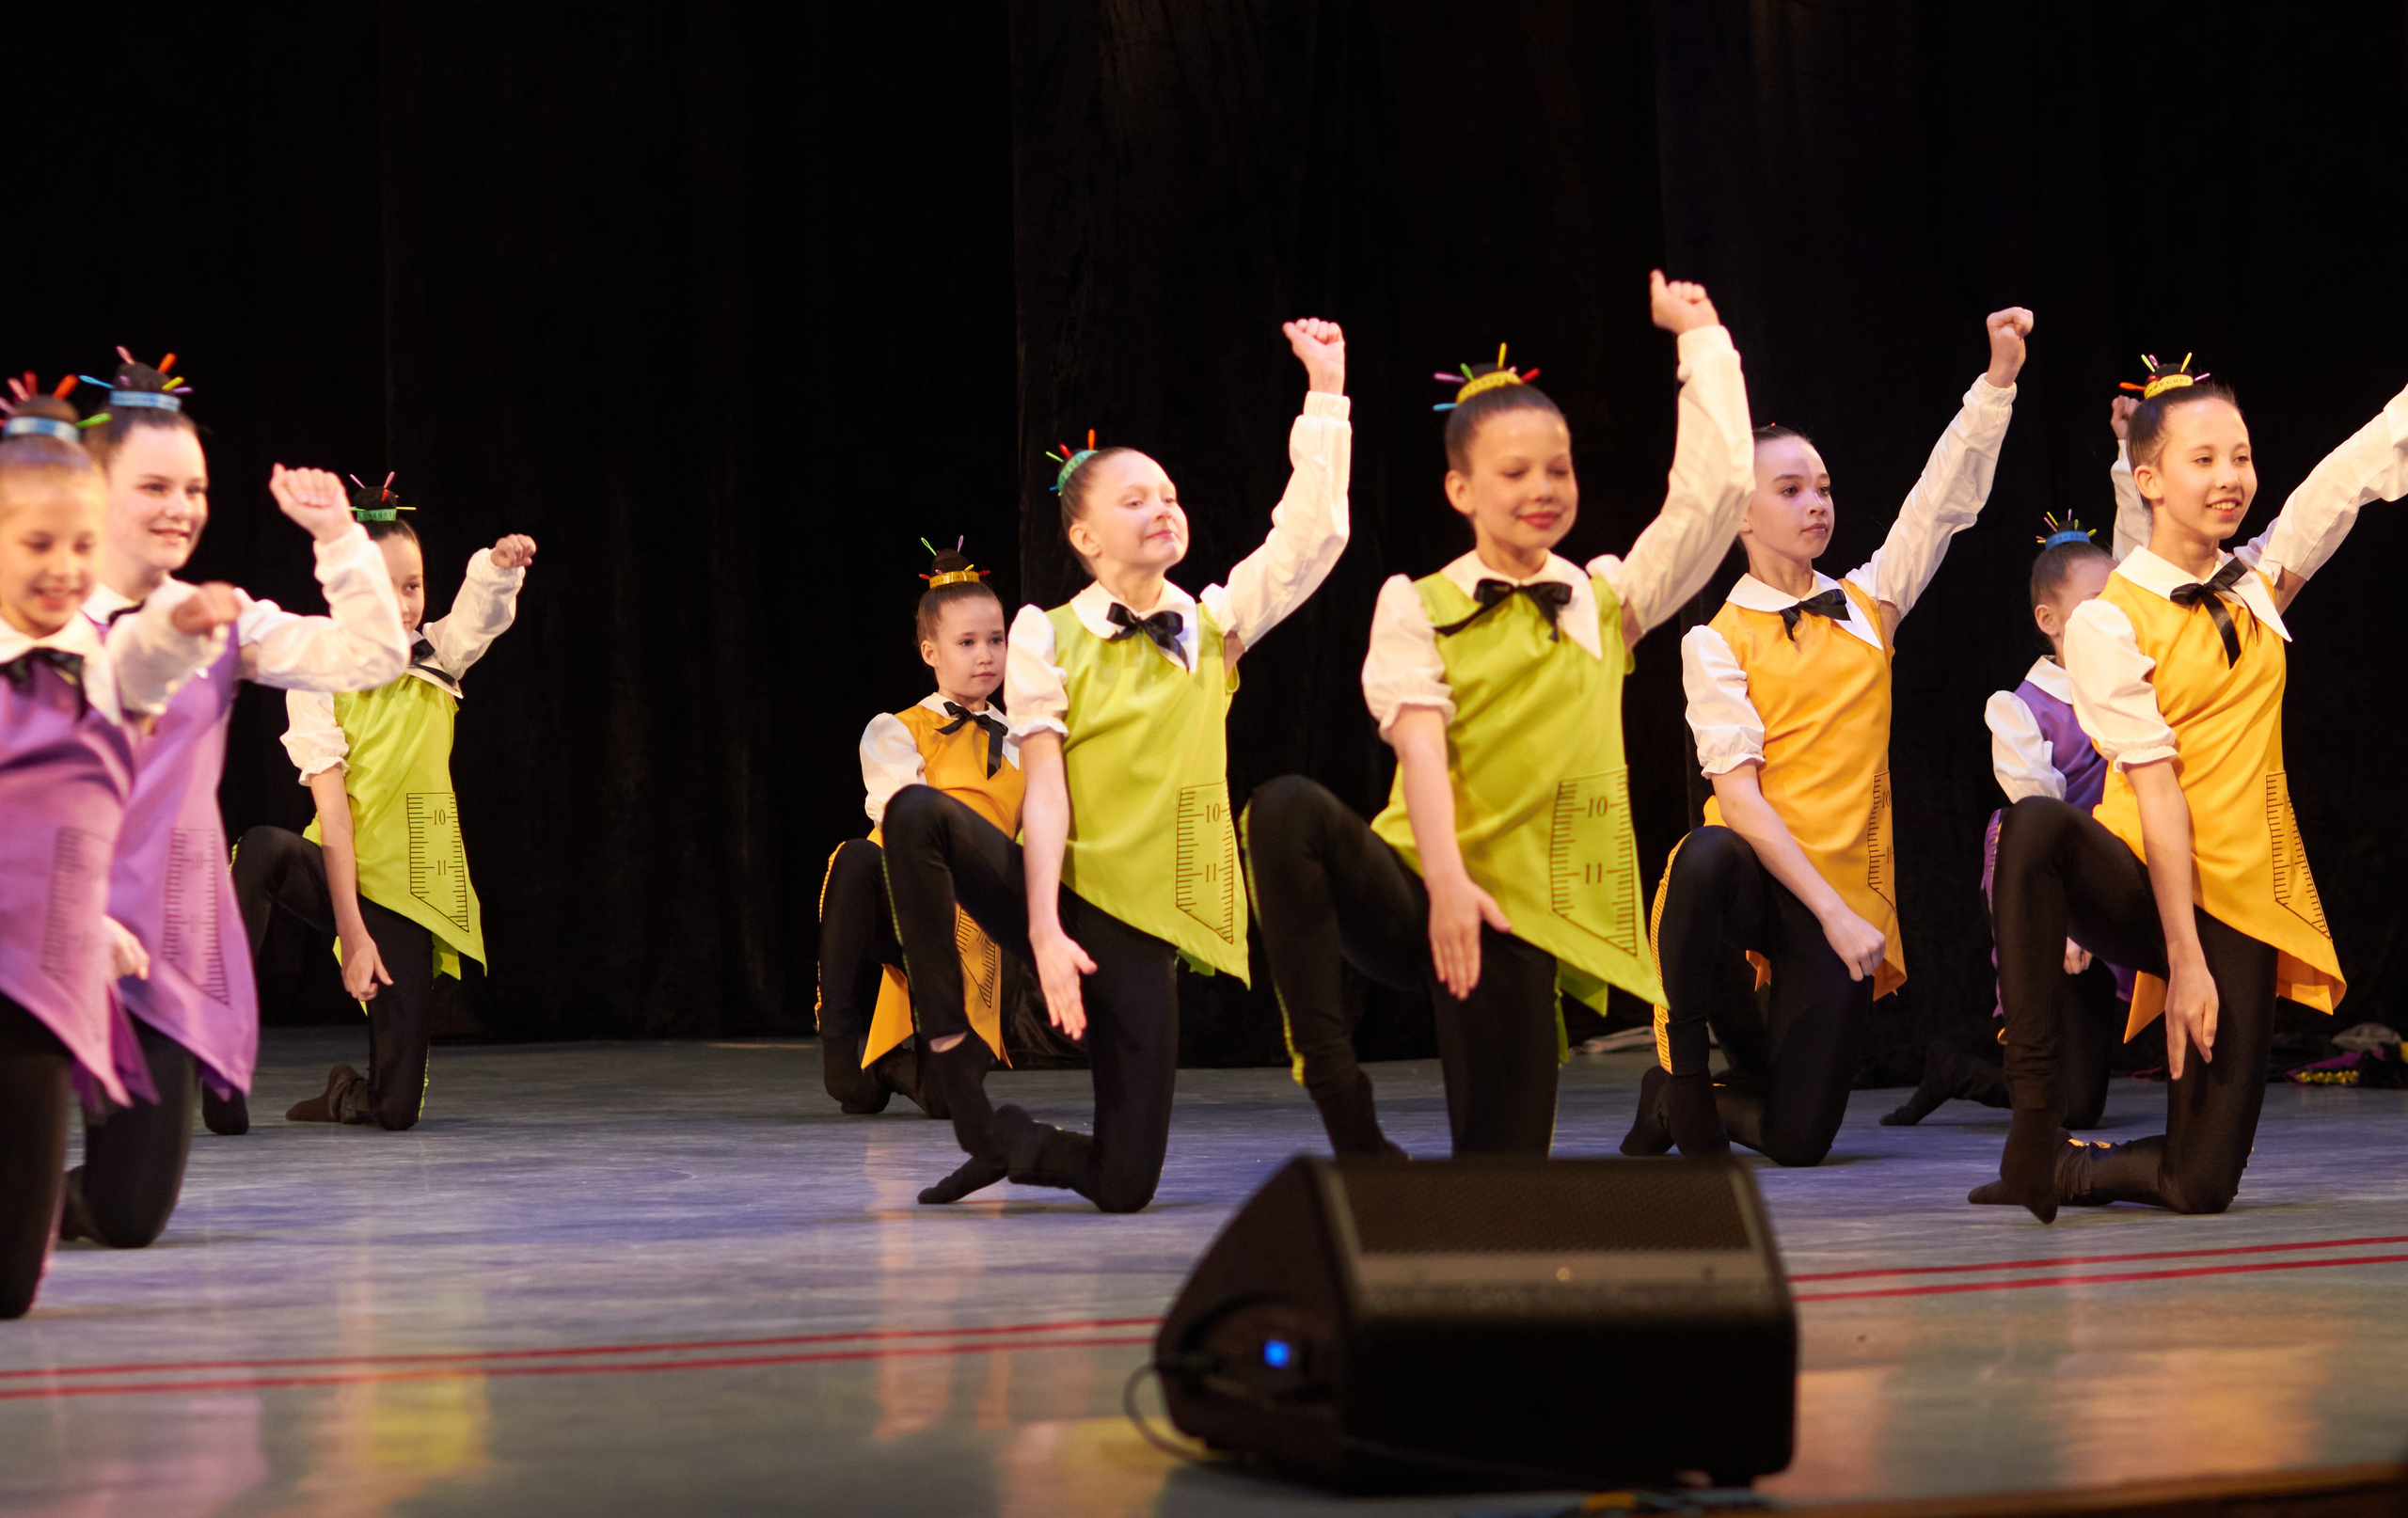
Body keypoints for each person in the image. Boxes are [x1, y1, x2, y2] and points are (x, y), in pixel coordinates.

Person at [1244, 272, 1751, 1159]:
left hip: (1517, 918)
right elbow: (1423, 747)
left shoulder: (1604, 604)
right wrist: (1444, 885)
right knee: (1285, 809)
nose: (1542, 488)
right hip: (1416, 887)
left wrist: (1701, 342)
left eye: (1557, 469)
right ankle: (1339, 1095)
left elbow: (1709, 500)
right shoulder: (1417, 602)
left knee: (1502, 1182)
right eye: (1513, 472)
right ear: (1460, 491)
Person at [882, 317, 1350, 1211]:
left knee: (1128, 1185)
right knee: (913, 815)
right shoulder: (1044, 635)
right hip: (1058, 889)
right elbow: (1046, 791)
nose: (1162, 506)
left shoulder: (1212, 629)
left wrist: (1325, 392)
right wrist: (1047, 930)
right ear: (1087, 539)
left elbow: (1309, 542)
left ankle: (1007, 1139)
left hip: (1140, 926)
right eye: (1134, 499)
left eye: (1168, 493)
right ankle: (949, 1050)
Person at [1976, 355, 2403, 1220]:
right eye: (2203, 460)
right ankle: (2032, 1124)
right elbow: (2158, 790)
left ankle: (2064, 1170)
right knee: (2034, 828)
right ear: (2149, 481)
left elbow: (2352, 472)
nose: (2230, 477)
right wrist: (2182, 957)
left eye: (2240, 457)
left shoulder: (2259, 582)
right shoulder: (2105, 621)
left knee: (2198, 1184)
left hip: (2239, 894)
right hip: (2142, 881)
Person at [1626, 307, 2035, 1165]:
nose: (1816, 504)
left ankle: (1671, 1100)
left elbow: (1940, 504)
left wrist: (1996, 382)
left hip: (1838, 898)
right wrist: (1829, 913)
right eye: (1790, 490)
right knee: (1703, 850)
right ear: (1739, 515)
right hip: (1754, 883)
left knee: (1799, 1139)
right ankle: (1687, 1068)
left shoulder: (1865, 607)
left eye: (1822, 487)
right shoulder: (1715, 640)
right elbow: (1739, 796)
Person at [55, 354, 407, 1252]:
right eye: (154, 486)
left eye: (194, 488)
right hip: (38, 918)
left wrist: (338, 540)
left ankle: (33, 1196)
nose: (179, 507)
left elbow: (373, 659)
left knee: (129, 1215)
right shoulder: (36, 618)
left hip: (159, 934)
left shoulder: (219, 617)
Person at [0, 378, 237, 1317]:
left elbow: (111, 743)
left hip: (39, 970)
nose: (64, 568)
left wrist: (178, 630)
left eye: (80, 548)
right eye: (38, 545)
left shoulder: (94, 655)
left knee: (15, 1284)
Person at [232, 479, 535, 1131]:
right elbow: (334, 817)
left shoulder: (438, 657)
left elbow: (478, 613)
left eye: (411, 586)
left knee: (396, 1111)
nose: (400, 607)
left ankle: (348, 1092)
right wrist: (352, 932)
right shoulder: (317, 673)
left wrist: (496, 569)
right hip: (334, 865)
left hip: (406, 884)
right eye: (378, 589)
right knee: (262, 846)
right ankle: (215, 1034)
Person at [1882, 514, 2130, 1129]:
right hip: (2050, 886)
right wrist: (2070, 926)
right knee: (2073, 1108)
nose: (2114, 617)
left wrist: (2129, 462)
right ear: (2050, 622)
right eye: (2096, 604)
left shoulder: (2128, 692)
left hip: (2116, 876)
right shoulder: (2022, 711)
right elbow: (2041, 821)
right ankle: (1959, 1070)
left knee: (2085, 1092)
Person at [816, 540, 1020, 1115]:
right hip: (909, 895)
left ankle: (887, 1063)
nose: (985, 655)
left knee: (949, 1100)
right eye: (966, 642)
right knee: (857, 857)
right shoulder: (897, 730)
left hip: (975, 915)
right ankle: (839, 1035)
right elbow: (904, 819)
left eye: (995, 640)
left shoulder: (1027, 740)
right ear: (931, 651)